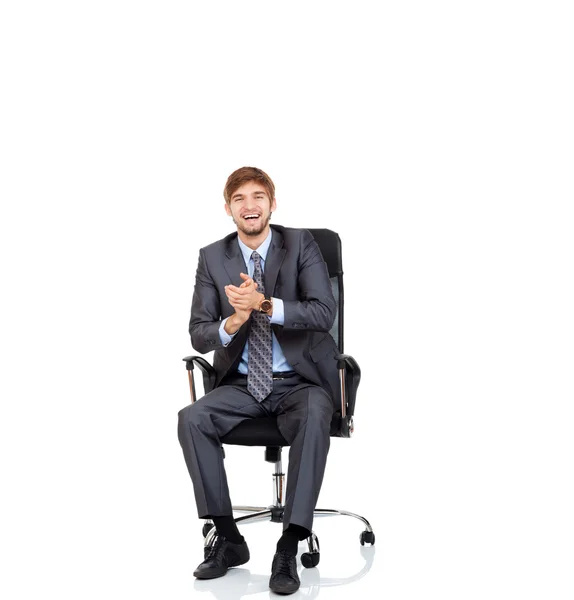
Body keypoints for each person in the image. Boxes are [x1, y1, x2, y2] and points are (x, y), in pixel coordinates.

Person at [178, 166, 339, 595]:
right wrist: (235, 319)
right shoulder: (213, 256)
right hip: (241, 384)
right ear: (228, 208)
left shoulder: (300, 244)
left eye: (258, 197)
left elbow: (324, 314)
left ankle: (289, 544)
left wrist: (265, 304)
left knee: (313, 412)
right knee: (191, 418)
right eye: (239, 199)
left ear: (272, 203)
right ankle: (228, 538)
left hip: (299, 382)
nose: (249, 206)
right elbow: (199, 331)